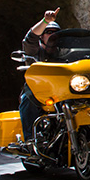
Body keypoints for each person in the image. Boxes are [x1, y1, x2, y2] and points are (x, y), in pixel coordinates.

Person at [16, 8, 61, 149]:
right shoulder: (35, 50)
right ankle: (30, 139)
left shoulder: (65, 52)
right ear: (42, 36)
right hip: (37, 90)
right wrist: (45, 22)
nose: (52, 35)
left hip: (62, 90)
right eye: (48, 32)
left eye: (55, 33)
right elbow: (30, 39)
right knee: (26, 100)